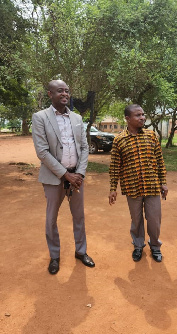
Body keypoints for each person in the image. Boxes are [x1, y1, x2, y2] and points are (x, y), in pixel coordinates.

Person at [32, 79, 95, 274]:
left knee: (79, 216)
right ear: (50, 94)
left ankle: (81, 251)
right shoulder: (40, 117)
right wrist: (66, 175)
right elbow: (42, 152)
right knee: (51, 218)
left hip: (77, 177)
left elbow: (84, 148)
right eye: (60, 91)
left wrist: (80, 173)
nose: (65, 94)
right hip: (54, 178)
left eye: (67, 91)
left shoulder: (77, 118)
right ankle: (55, 256)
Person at [109, 104, 168, 262]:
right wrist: (113, 188)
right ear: (127, 119)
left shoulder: (151, 136)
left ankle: (155, 246)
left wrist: (163, 182)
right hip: (132, 187)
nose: (142, 117)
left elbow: (159, 161)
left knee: (154, 219)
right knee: (136, 220)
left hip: (152, 186)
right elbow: (115, 166)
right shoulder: (119, 140)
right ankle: (138, 245)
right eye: (138, 115)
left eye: (143, 114)